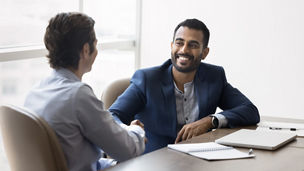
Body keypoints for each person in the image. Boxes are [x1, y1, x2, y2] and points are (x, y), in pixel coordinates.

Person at [109, 18, 260, 153]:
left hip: (198, 161)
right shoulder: (147, 80)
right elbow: (111, 116)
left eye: (193, 45)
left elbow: (250, 111)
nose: (184, 50)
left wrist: (210, 120)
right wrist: (129, 130)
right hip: (154, 161)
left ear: (205, 52)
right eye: (179, 43)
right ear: (171, 45)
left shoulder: (214, 76)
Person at [24, 12, 145, 171]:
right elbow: (128, 151)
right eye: (95, 44)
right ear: (86, 49)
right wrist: (137, 130)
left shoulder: (36, 91)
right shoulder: (78, 95)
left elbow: (76, 157)